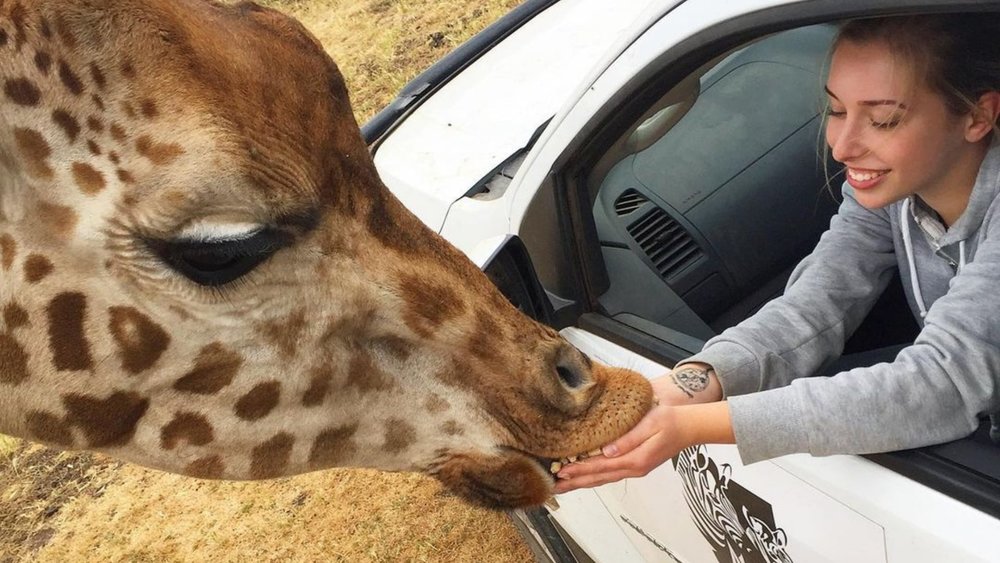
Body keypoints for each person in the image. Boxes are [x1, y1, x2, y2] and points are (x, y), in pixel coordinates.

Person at [554, 13, 1000, 494]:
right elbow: (814, 306)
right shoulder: (889, 195)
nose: (842, 147)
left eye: (883, 120)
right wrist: (685, 386)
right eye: (836, 110)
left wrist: (693, 427)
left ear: (977, 117)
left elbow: (942, 384)